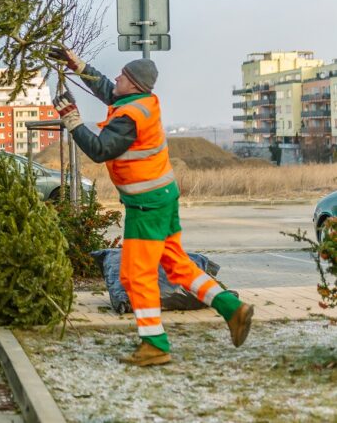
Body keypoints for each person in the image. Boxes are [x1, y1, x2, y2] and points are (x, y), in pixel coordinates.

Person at [49, 46, 254, 367]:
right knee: (176, 264)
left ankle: (154, 345)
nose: (116, 77)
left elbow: (101, 150)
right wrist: (78, 65)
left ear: (133, 84)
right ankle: (231, 308)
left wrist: (72, 121)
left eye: (123, 75)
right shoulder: (140, 103)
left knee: (135, 275)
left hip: (146, 206)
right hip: (162, 197)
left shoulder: (129, 117)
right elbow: (106, 88)